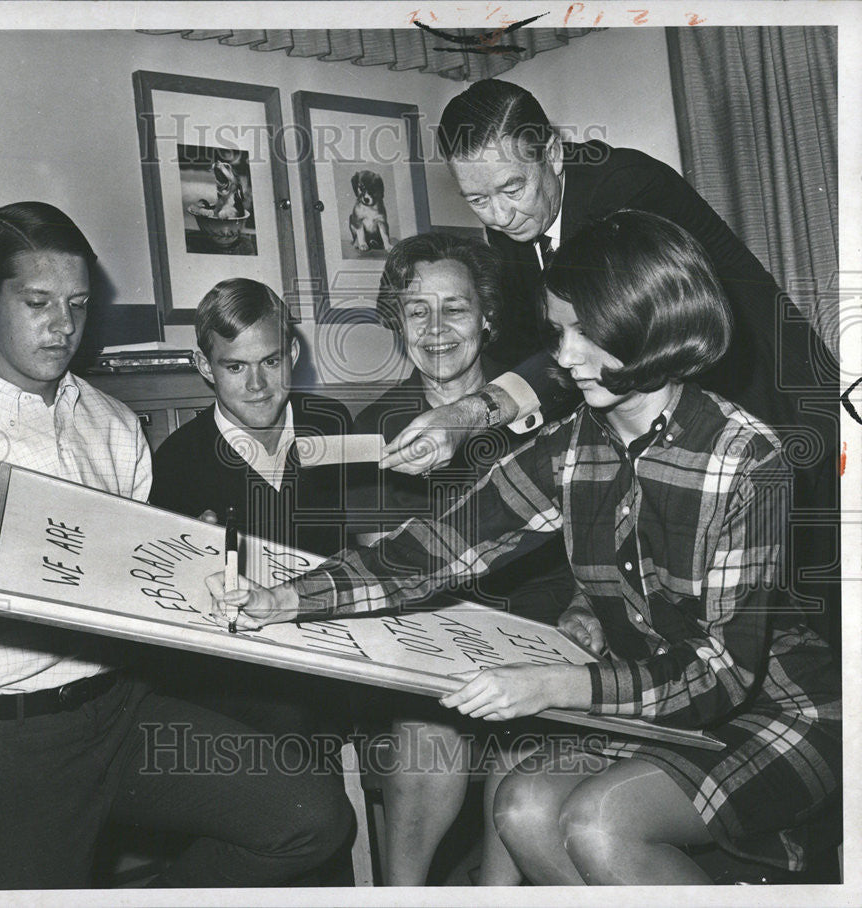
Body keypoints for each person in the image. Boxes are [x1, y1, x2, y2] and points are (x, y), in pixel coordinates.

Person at [209, 211, 841, 884]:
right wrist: (285, 597)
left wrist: (553, 685)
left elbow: (721, 672)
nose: (564, 358)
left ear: (649, 327)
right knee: (522, 807)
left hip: (777, 711)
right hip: (645, 705)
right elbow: (431, 551)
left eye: (585, 333)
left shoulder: (744, 457)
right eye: (560, 332)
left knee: (599, 822)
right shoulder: (575, 446)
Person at [0, 202, 352, 890]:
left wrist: (196, 567)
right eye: (38, 301)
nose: (63, 325)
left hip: (122, 711)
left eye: (77, 304)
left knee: (311, 817)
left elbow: (140, 591)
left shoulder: (111, 425)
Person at [382, 79, 839, 645]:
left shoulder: (624, 191)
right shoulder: (512, 231)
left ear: (552, 153)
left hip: (773, 405)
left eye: (512, 188)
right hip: (675, 419)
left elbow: (601, 346)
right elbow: (548, 351)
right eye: (477, 199)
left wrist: (473, 414)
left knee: (810, 621)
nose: (499, 215)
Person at [348, 232, 576, 885]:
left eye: (456, 307)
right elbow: (384, 576)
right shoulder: (378, 430)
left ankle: (495, 895)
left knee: (521, 726)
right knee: (430, 735)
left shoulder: (541, 407)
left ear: (487, 316)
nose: (437, 327)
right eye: (418, 310)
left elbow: (581, 553)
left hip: (544, 627)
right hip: (432, 636)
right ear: (397, 322)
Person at [150, 277, 352, 557]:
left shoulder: (331, 423)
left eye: (271, 362)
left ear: (292, 354)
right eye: (235, 367)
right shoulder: (176, 460)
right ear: (206, 368)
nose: (256, 384)